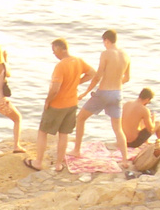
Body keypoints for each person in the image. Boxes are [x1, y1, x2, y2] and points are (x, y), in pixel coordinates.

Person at [25, 39, 93, 172]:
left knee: (43, 131)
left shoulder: (61, 66)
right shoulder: (78, 61)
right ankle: (58, 164)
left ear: (61, 48)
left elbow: (55, 89)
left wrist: (47, 101)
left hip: (58, 104)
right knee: (63, 134)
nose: (54, 53)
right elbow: (92, 73)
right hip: (72, 102)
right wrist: (77, 82)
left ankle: (38, 162)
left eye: (54, 50)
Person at [72, 30, 132, 162]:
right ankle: (125, 159)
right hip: (117, 93)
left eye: (104, 42)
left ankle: (76, 150)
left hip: (103, 92)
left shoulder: (106, 53)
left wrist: (85, 93)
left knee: (80, 118)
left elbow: (98, 76)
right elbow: (127, 78)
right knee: (118, 128)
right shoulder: (126, 55)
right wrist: (116, 83)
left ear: (106, 41)